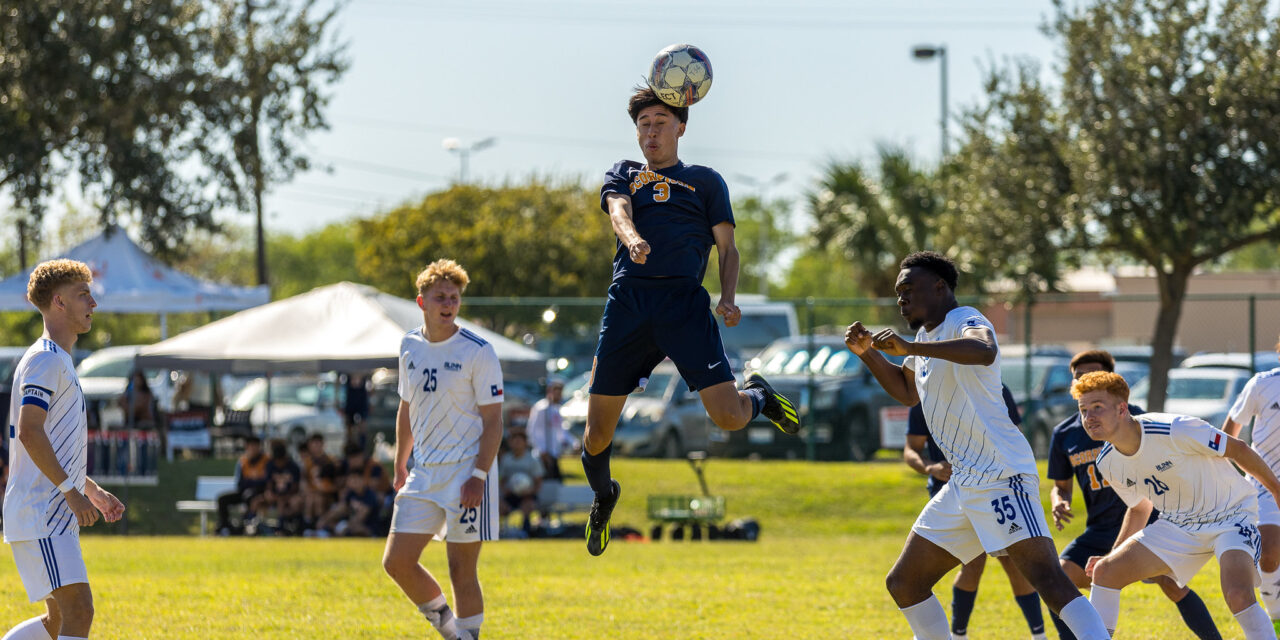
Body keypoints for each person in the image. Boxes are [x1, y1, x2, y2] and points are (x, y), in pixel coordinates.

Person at [844, 251, 1109, 640]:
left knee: (1049, 581)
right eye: (897, 294)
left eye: (908, 290)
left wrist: (912, 350)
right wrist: (867, 353)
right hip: (964, 482)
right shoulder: (923, 336)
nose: (901, 300)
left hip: (1001, 473)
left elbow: (983, 350)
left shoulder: (964, 319)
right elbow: (906, 392)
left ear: (939, 287)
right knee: (905, 583)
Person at [581, 86, 799, 557]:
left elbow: (728, 247)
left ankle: (759, 393)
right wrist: (634, 238)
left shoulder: (705, 180)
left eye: (661, 121)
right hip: (629, 303)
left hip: (683, 305)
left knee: (730, 417)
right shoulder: (624, 173)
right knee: (597, 433)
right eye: (644, 124)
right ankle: (604, 495)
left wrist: (729, 297)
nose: (651, 131)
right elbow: (618, 211)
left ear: (681, 126)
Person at [1077, 371, 1280, 639]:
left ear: (1122, 409)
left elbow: (1239, 449)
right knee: (1105, 572)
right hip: (1177, 525)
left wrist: (1277, 492)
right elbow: (1139, 508)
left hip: (1231, 517)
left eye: (1097, 408)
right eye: (1083, 410)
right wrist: (1112, 554)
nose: (1089, 417)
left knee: (1238, 594)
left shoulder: (1175, 429)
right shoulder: (1107, 462)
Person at [1048, 350, 1220, 639]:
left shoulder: (1134, 418)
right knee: (1057, 582)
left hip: (1147, 520)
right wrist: (1059, 501)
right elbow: (1061, 485)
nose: (1086, 380)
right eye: (1079, 377)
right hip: (1100, 527)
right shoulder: (1065, 433)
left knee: (1169, 583)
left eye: (1093, 375)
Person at [3, 259, 126, 640]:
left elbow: (49, 442)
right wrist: (71, 493)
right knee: (78, 610)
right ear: (59, 301)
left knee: (58, 620)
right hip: (42, 511)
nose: (93, 302)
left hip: (48, 510)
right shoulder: (45, 359)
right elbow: (30, 433)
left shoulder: (58, 359)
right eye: (82, 294)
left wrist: (90, 489)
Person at [382, 259, 503, 640]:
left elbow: (495, 422)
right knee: (397, 562)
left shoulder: (478, 351)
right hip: (424, 471)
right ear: (422, 302)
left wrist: (478, 477)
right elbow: (406, 406)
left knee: (461, 571)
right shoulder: (409, 345)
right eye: (440, 297)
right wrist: (401, 463)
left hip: (468, 472)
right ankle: (456, 636)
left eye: (454, 297)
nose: (448, 304)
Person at [904, 384, 1047, 639]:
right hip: (949, 492)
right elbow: (911, 449)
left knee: (1014, 560)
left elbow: (1014, 434)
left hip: (994, 489)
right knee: (972, 563)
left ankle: (1039, 635)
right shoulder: (925, 387)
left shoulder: (990, 384)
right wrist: (931, 467)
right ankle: (958, 635)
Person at [1222, 333, 1280, 621]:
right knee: (1269, 551)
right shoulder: (1263, 383)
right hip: (1265, 481)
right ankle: (1276, 615)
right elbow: (1232, 426)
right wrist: (1224, 469)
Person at [217, 435, 269, 535]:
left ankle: (247, 525)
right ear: (246, 447)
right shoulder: (243, 461)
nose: (253, 448)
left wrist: (251, 482)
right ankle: (225, 527)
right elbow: (240, 483)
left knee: (250, 496)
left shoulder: (266, 461)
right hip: (244, 492)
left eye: (255, 446)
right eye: (250, 446)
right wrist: (253, 482)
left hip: (259, 493)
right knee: (222, 499)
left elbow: (265, 482)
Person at [526, 377, 574, 481]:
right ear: (550, 392)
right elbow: (531, 430)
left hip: (553, 453)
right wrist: (542, 450)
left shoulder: (556, 409)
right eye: (557, 393)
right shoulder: (541, 408)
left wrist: (573, 443)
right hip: (542, 454)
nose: (559, 396)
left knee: (556, 482)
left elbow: (561, 431)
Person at [498, 429, 543, 534]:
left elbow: (539, 481)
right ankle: (502, 531)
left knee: (528, 506)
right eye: (514, 441)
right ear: (510, 443)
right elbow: (502, 479)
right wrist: (505, 490)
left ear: (525, 443)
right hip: (510, 494)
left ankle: (526, 531)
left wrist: (530, 491)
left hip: (527, 495)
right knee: (499, 506)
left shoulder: (533, 460)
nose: (517, 443)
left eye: (519, 441)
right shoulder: (506, 459)